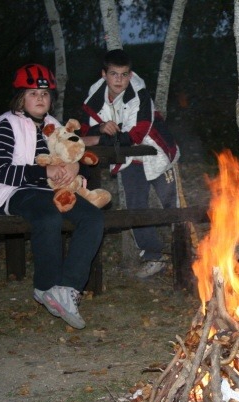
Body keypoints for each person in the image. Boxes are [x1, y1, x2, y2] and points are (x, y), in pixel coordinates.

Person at [0, 64, 104, 329]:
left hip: (53, 192)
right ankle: (45, 286)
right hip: (14, 192)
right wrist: (43, 171)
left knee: (93, 217)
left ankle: (68, 287)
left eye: (45, 94)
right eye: (34, 93)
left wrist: (74, 167)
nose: (41, 99)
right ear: (21, 97)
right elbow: (0, 171)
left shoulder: (53, 125)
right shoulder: (8, 124)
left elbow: (72, 152)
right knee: (48, 218)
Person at [79, 49, 180, 279]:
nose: (119, 80)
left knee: (173, 205)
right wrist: (100, 129)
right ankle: (154, 256)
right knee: (135, 207)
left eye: (124, 75)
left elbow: (136, 134)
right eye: (114, 74)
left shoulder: (140, 94)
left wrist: (98, 138)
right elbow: (83, 130)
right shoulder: (95, 95)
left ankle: (186, 252)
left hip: (156, 152)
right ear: (103, 74)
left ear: (130, 74)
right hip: (129, 159)